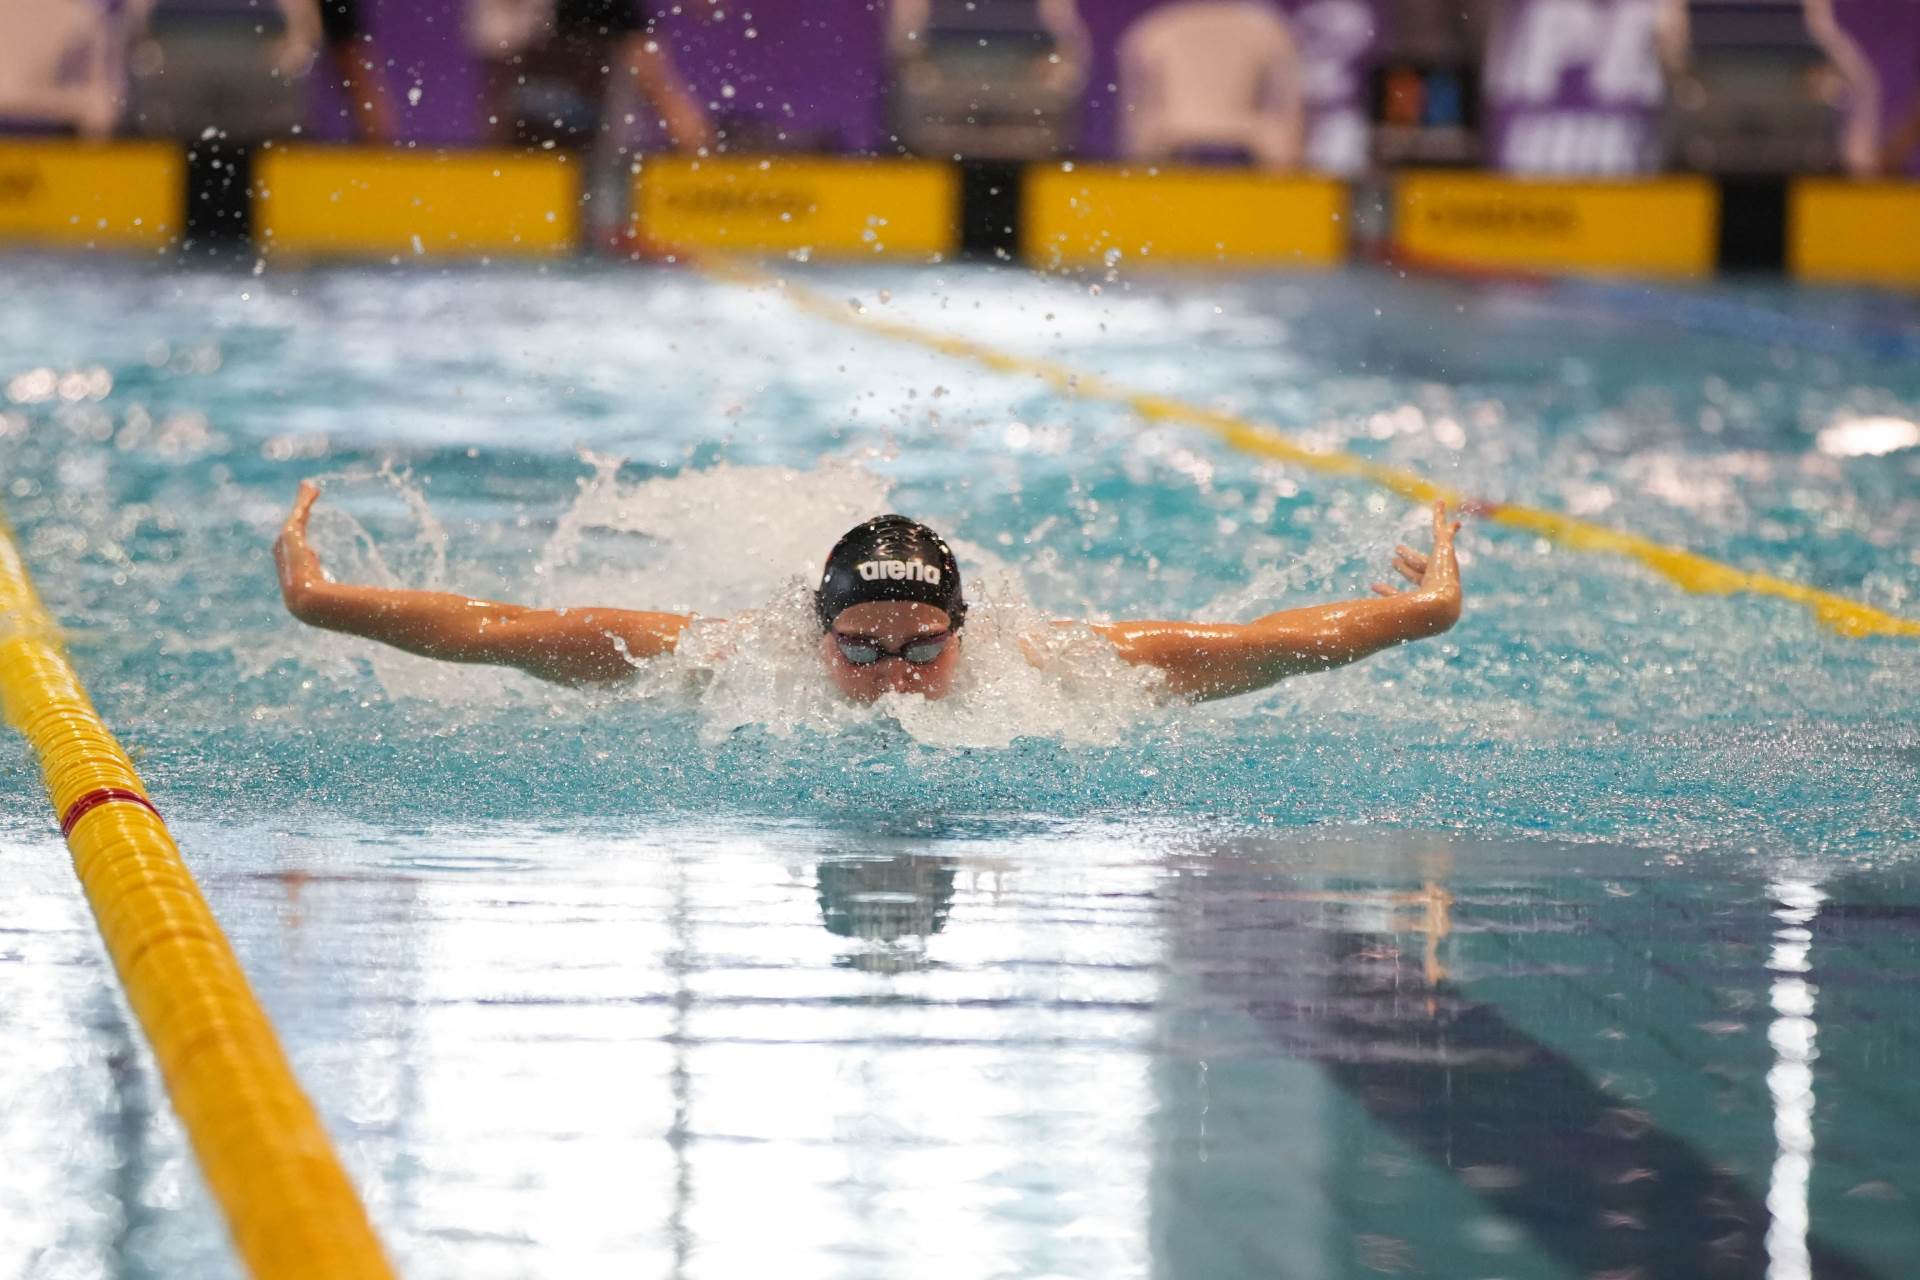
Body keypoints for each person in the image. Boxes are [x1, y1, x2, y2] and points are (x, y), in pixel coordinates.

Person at [273, 481, 1464, 703]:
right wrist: (327, 602)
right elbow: (509, 633)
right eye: (863, 650)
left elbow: (1263, 645)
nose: (895, 677)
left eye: (919, 647)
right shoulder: (725, 661)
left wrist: (1423, 609)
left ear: (965, 625)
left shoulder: (1050, 670)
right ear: (814, 630)